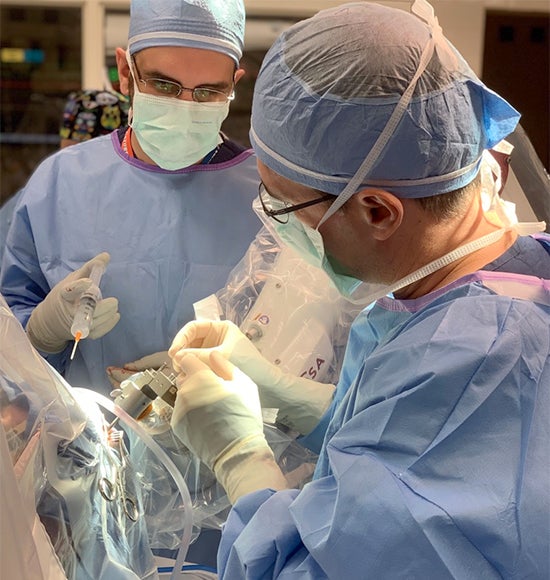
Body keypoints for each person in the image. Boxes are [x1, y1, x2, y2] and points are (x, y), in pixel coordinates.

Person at [166, 1, 550, 577]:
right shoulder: (467, 289)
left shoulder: (483, 360)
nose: (271, 220)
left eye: (282, 203)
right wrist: (285, 391)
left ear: (376, 211)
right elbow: (395, 453)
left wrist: (240, 458)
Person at [0, 0, 261, 396]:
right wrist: (38, 335)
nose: (184, 108)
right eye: (163, 85)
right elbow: (10, 334)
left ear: (234, 86)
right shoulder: (60, 184)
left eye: (208, 92)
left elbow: (303, 343)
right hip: (85, 442)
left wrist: (239, 376)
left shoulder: (267, 198)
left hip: (228, 450)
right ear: (125, 74)